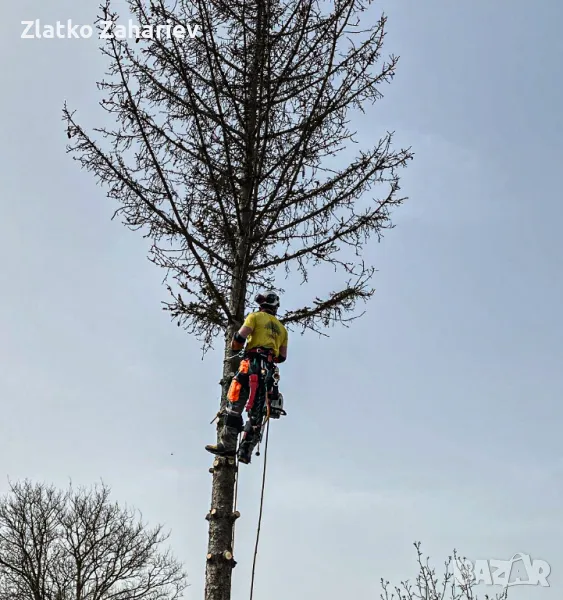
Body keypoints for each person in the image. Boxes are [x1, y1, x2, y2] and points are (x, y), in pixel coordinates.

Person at [205, 291, 288, 464]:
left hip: (250, 365)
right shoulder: (282, 329)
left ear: (262, 304)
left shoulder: (255, 317)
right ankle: (245, 451)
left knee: (235, 402)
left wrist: (235, 348)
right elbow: (282, 357)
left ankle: (227, 446)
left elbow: (240, 337)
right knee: (257, 413)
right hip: (268, 372)